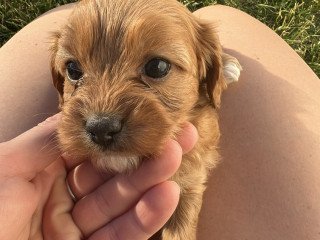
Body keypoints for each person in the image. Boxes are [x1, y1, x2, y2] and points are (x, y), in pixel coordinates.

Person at [0, 3, 319, 240]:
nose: (102, 116)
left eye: (156, 68)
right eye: (75, 71)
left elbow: (188, 192)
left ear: (209, 77)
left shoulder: (193, 142)